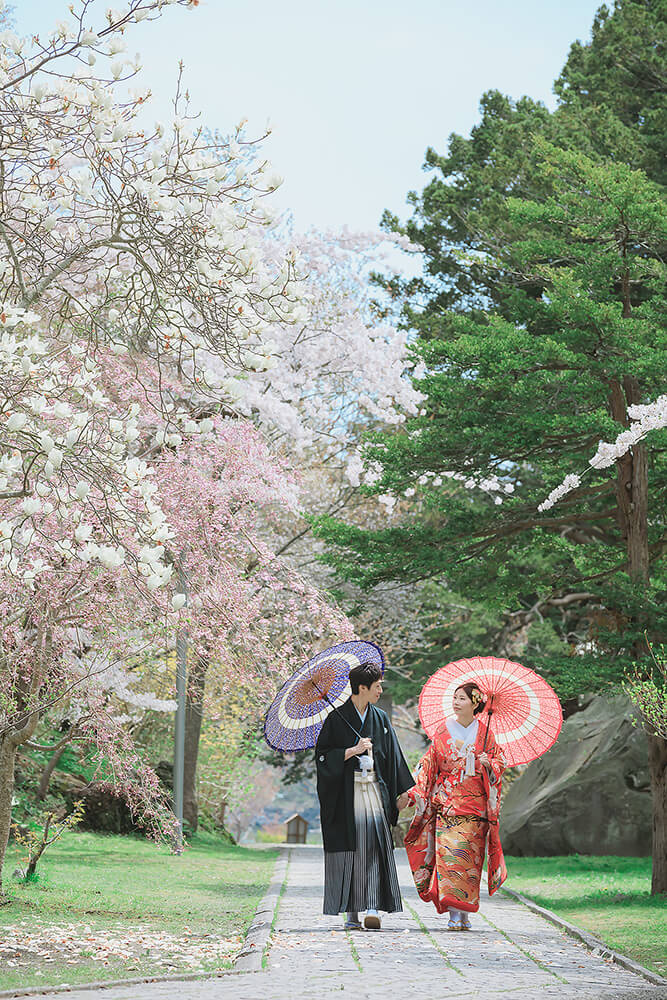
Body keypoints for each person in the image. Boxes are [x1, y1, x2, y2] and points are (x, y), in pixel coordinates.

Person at [315, 661, 414, 931]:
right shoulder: (336, 719)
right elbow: (322, 757)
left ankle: (372, 907)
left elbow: (394, 758)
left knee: (373, 847)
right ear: (362, 687)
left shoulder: (380, 719)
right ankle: (351, 912)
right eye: (377, 685)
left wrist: (402, 792)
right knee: (351, 849)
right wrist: (351, 750)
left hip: (375, 791)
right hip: (346, 795)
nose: (380, 690)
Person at [404, 682, 506, 930]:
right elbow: (429, 765)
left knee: (470, 862)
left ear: (475, 703)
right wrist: (415, 790)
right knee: (450, 860)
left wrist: (488, 763)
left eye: (462, 698)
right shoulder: (442, 731)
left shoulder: (486, 734)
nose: (456, 701)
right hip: (448, 806)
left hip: (475, 809)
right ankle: (454, 912)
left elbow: (499, 763)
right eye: (455, 697)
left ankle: (465, 910)